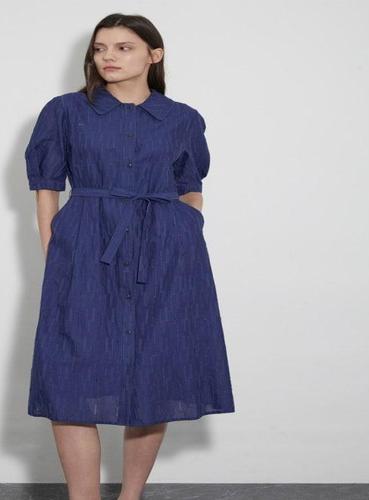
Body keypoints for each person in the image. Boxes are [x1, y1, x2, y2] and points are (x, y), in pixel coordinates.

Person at [24, 13, 235, 500]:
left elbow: (190, 186)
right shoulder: (66, 111)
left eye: (123, 47)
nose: (108, 57)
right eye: (100, 48)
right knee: (70, 376)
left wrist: (185, 231)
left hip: (166, 252)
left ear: (153, 55)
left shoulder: (182, 118)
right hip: (86, 245)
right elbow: (46, 187)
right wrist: (56, 251)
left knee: (154, 371)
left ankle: (130, 496)